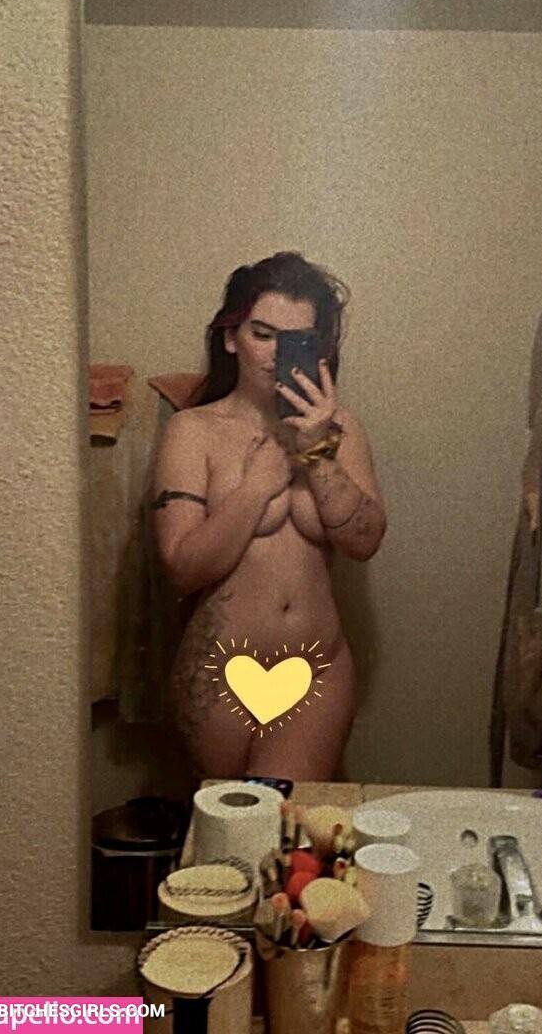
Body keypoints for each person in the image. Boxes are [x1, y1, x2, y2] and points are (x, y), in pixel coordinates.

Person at [151, 251, 386, 781]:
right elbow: (182, 568)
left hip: (317, 668)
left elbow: (364, 542)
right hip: (218, 671)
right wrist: (257, 486)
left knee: (285, 817)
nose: (277, 352)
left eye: (297, 338)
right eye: (262, 333)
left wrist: (316, 452)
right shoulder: (193, 431)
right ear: (231, 337)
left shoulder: (342, 429)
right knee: (232, 824)